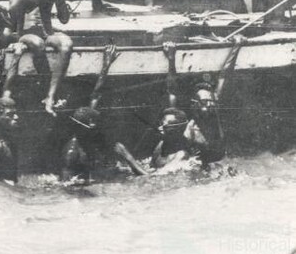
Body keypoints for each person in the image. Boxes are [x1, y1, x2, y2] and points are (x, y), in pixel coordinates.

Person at [59, 45, 149, 182]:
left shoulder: (90, 131)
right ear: (90, 126)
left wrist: (106, 65)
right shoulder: (72, 153)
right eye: (97, 124)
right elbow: (65, 186)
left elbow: (96, 95)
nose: (101, 126)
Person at [153, 37, 245, 168]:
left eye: (210, 101)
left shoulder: (213, 110)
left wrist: (237, 45)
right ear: (194, 104)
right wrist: (171, 58)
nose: (209, 105)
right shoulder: (186, 128)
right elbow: (172, 91)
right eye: (204, 102)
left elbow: (224, 77)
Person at [6, 0, 73, 116]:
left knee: (66, 44)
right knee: (37, 43)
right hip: (25, 33)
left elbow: (64, 18)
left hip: (47, 32)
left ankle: (51, 96)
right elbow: (12, 12)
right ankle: (46, 91)